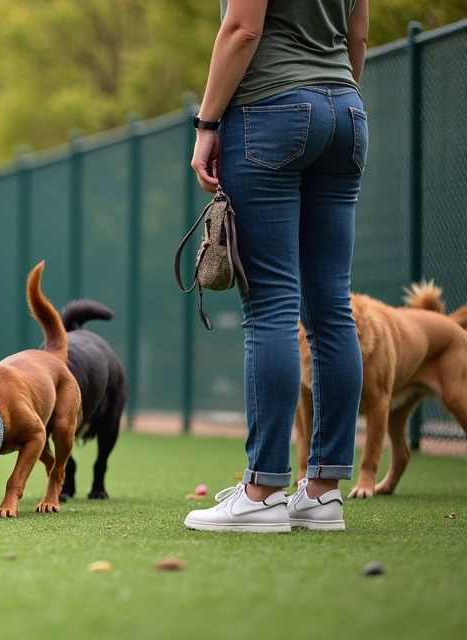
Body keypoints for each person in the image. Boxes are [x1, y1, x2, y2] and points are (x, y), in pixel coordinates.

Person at [184, 0, 370, 532]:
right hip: (347, 113)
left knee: (271, 308)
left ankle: (262, 493)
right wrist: (331, 101)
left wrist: (206, 124)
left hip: (269, 112)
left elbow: (243, 28)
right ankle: (322, 493)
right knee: (331, 309)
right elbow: (357, 36)